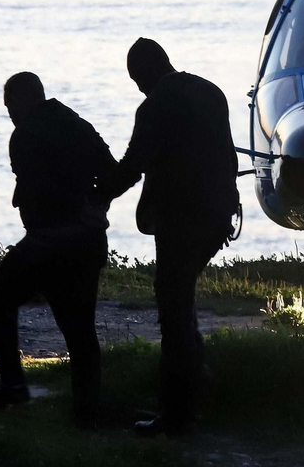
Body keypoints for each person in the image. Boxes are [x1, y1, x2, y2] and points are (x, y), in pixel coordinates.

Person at [99, 38, 239, 436]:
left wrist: (96, 195)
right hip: (218, 216)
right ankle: (198, 380)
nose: (138, 88)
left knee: (173, 305)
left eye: (136, 79)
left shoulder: (155, 105)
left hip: (182, 218)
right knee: (179, 296)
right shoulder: (211, 92)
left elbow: (132, 166)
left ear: (142, 74)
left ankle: (178, 412)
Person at [0, 72, 117, 427]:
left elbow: (36, 189)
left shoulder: (23, 135)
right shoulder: (78, 123)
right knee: (79, 328)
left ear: (23, 100)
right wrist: (94, 205)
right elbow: (114, 173)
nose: (9, 113)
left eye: (10, 105)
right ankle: (88, 408)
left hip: (49, 242)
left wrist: (71, 207)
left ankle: (14, 385)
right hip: (87, 240)